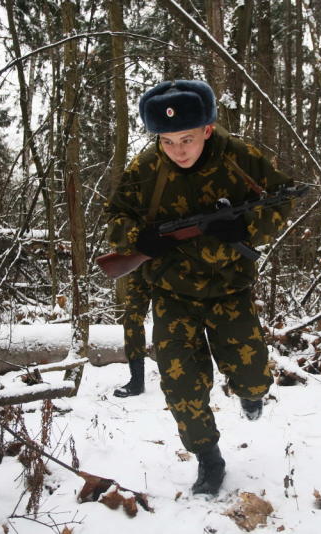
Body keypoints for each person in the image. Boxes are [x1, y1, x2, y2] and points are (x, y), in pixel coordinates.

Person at [104, 80, 294, 496]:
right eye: (167, 141)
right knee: (180, 386)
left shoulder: (240, 158)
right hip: (173, 295)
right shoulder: (145, 169)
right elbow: (115, 217)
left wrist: (246, 227)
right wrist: (139, 239)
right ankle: (209, 457)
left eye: (187, 139)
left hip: (230, 289)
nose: (179, 150)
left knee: (252, 372)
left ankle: (251, 394)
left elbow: (282, 199)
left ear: (208, 129)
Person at [112, 268, 150, 397]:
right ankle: (137, 381)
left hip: (170, 266)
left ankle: (179, 379)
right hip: (140, 267)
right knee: (131, 322)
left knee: (172, 324)